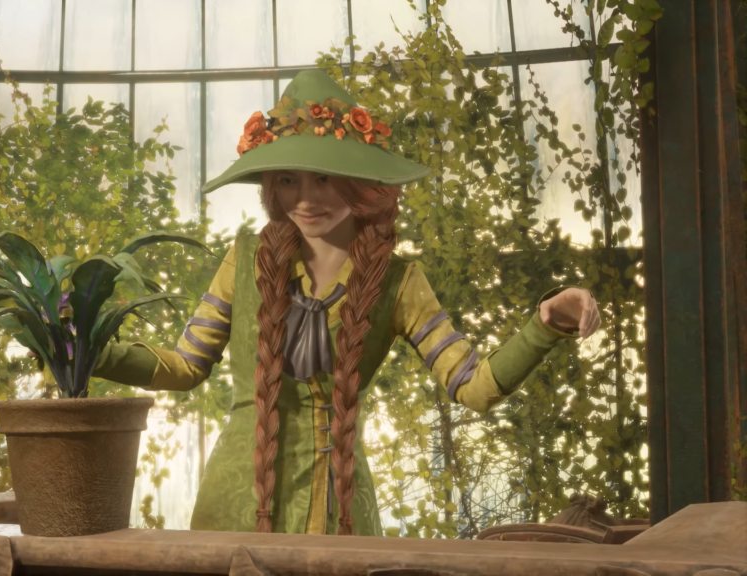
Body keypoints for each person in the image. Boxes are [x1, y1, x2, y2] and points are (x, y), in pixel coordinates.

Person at [92, 69, 601, 536]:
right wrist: (88, 347)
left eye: (324, 177)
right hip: (234, 509)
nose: (306, 199)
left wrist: (544, 325)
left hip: (342, 512)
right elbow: (184, 367)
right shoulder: (243, 260)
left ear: (361, 185)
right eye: (288, 179)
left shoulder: (401, 282)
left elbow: (473, 387)